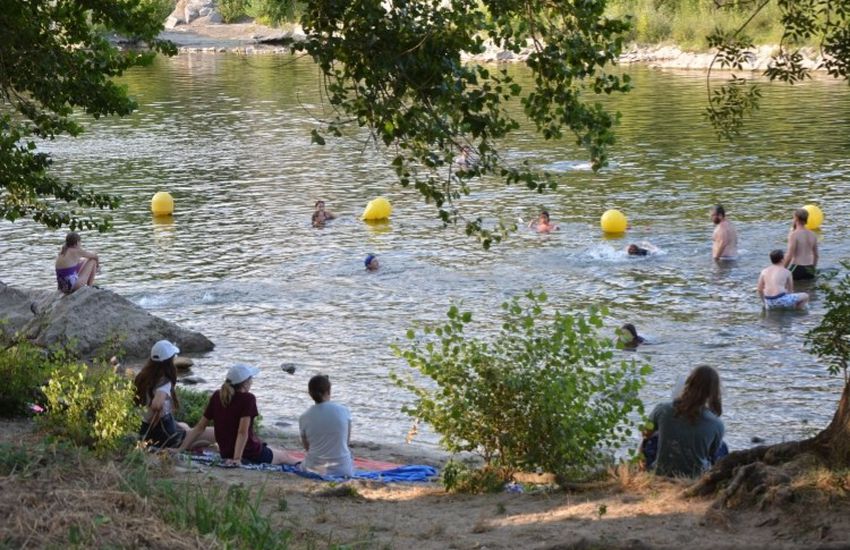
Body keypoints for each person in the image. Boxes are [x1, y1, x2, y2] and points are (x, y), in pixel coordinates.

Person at [178, 364, 298, 466]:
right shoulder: (248, 399)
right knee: (285, 457)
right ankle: (307, 467)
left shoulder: (217, 396)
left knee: (271, 449)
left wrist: (180, 449)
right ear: (245, 383)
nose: (252, 381)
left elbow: (200, 427)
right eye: (251, 378)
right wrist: (237, 459)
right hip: (248, 452)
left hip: (226, 452)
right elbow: (242, 432)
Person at [645, 366, 725, 477]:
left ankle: (643, 468)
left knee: (653, 437)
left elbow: (645, 434)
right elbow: (711, 453)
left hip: (661, 472)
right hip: (695, 477)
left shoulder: (663, 409)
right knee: (722, 446)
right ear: (713, 392)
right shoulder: (716, 423)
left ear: (688, 383)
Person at [135, 340, 214, 449]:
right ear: (169, 361)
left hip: (146, 430)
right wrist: (157, 415)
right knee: (214, 433)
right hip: (166, 436)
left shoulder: (143, 377)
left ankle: (187, 437)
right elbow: (157, 404)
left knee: (184, 425)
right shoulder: (164, 381)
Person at [299, 375, 353, 477]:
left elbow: (307, 448)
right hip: (343, 469)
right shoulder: (344, 411)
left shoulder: (304, 417)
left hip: (314, 468)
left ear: (310, 393)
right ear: (329, 392)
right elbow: (346, 443)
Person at [784, 208, 819, 281]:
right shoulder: (813, 234)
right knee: (809, 290)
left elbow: (789, 255)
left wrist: (781, 270)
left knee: (793, 290)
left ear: (796, 218)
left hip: (797, 267)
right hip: (810, 268)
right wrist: (813, 268)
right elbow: (816, 255)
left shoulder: (793, 234)